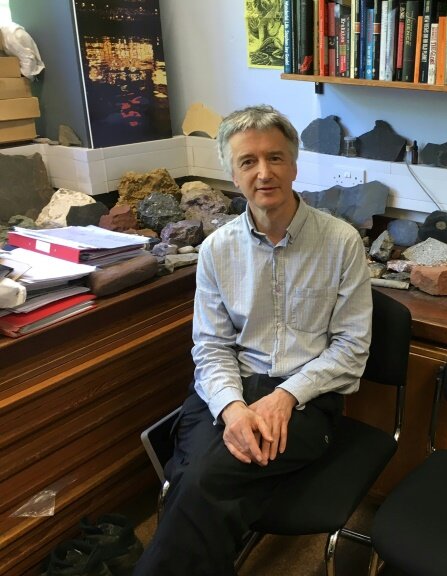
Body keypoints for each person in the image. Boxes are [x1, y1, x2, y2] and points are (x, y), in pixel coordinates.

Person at [135, 105, 372, 575]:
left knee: (198, 479)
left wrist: (286, 396)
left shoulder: (341, 243)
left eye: (275, 158)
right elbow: (211, 347)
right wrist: (232, 408)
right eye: (248, 162)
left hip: (306, 399)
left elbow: (351, 348)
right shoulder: (216, 250)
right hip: (230, 389)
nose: (264, 173)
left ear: (295, 165)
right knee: (200, 483)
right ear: (231, 172)